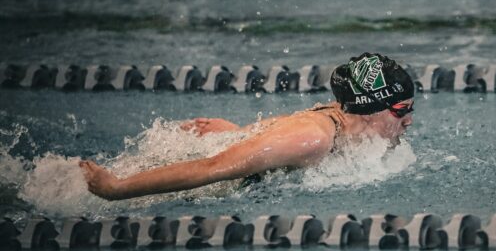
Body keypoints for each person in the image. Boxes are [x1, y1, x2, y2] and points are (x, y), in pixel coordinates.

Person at [80, 53, 415, 201]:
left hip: (223, 149)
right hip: (182, 172)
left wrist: (236, 132)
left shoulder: (344, 121)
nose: (409, 120)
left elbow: (277, 132)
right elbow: (214, 168)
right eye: (402, 110)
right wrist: (116, 188)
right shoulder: (313, 139)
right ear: (370, 109)